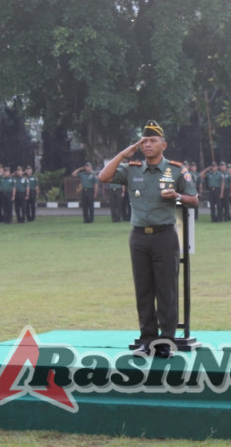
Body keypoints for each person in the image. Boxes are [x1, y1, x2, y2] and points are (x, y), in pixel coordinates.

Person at [97, 120, 198, 357]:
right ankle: (147, 338)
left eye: (153, 141)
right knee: (143, 289)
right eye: (144, 141)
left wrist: (178, 196)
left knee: (166, 289)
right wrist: (124, 153)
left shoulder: (176, 169)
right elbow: (104, 176)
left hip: (165, 236)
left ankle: (166, 341)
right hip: (139, 237)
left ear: (164, 144)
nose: (148, 145)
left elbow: (194, 199)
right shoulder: (132, 169)